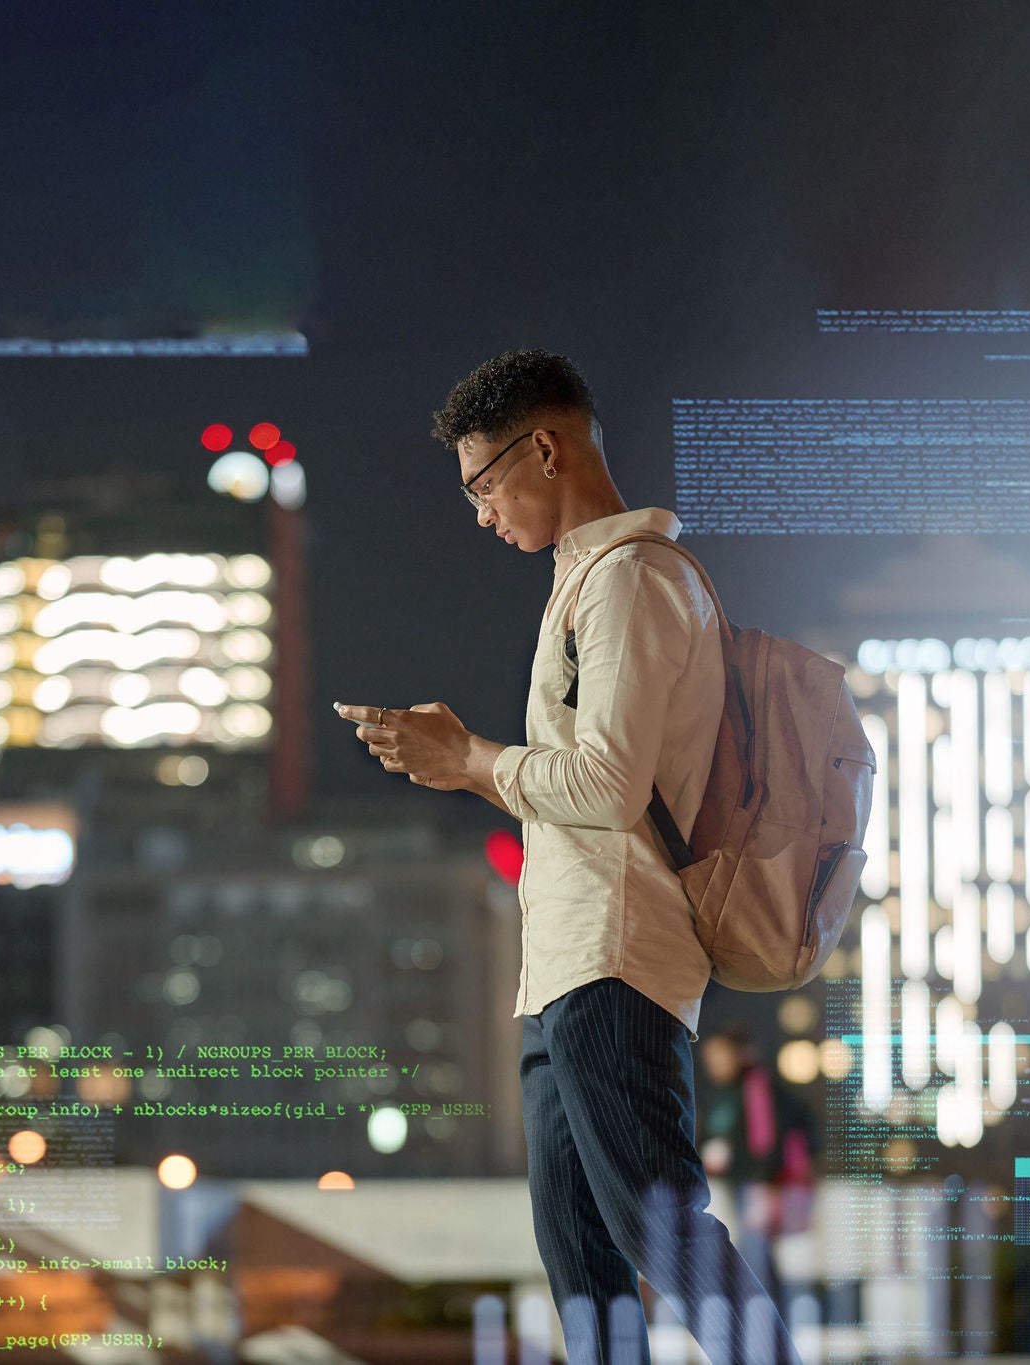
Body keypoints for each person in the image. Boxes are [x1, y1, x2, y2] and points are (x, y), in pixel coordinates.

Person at [334, 349, 804, 1365]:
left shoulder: (631, 581)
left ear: (543, 448)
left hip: (616, 954)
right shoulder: (584, 583)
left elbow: (606, 787)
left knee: (655, 1229)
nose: (478, 512)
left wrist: (466, 760)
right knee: (581, 1265)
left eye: (482, 483)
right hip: (561, 971)